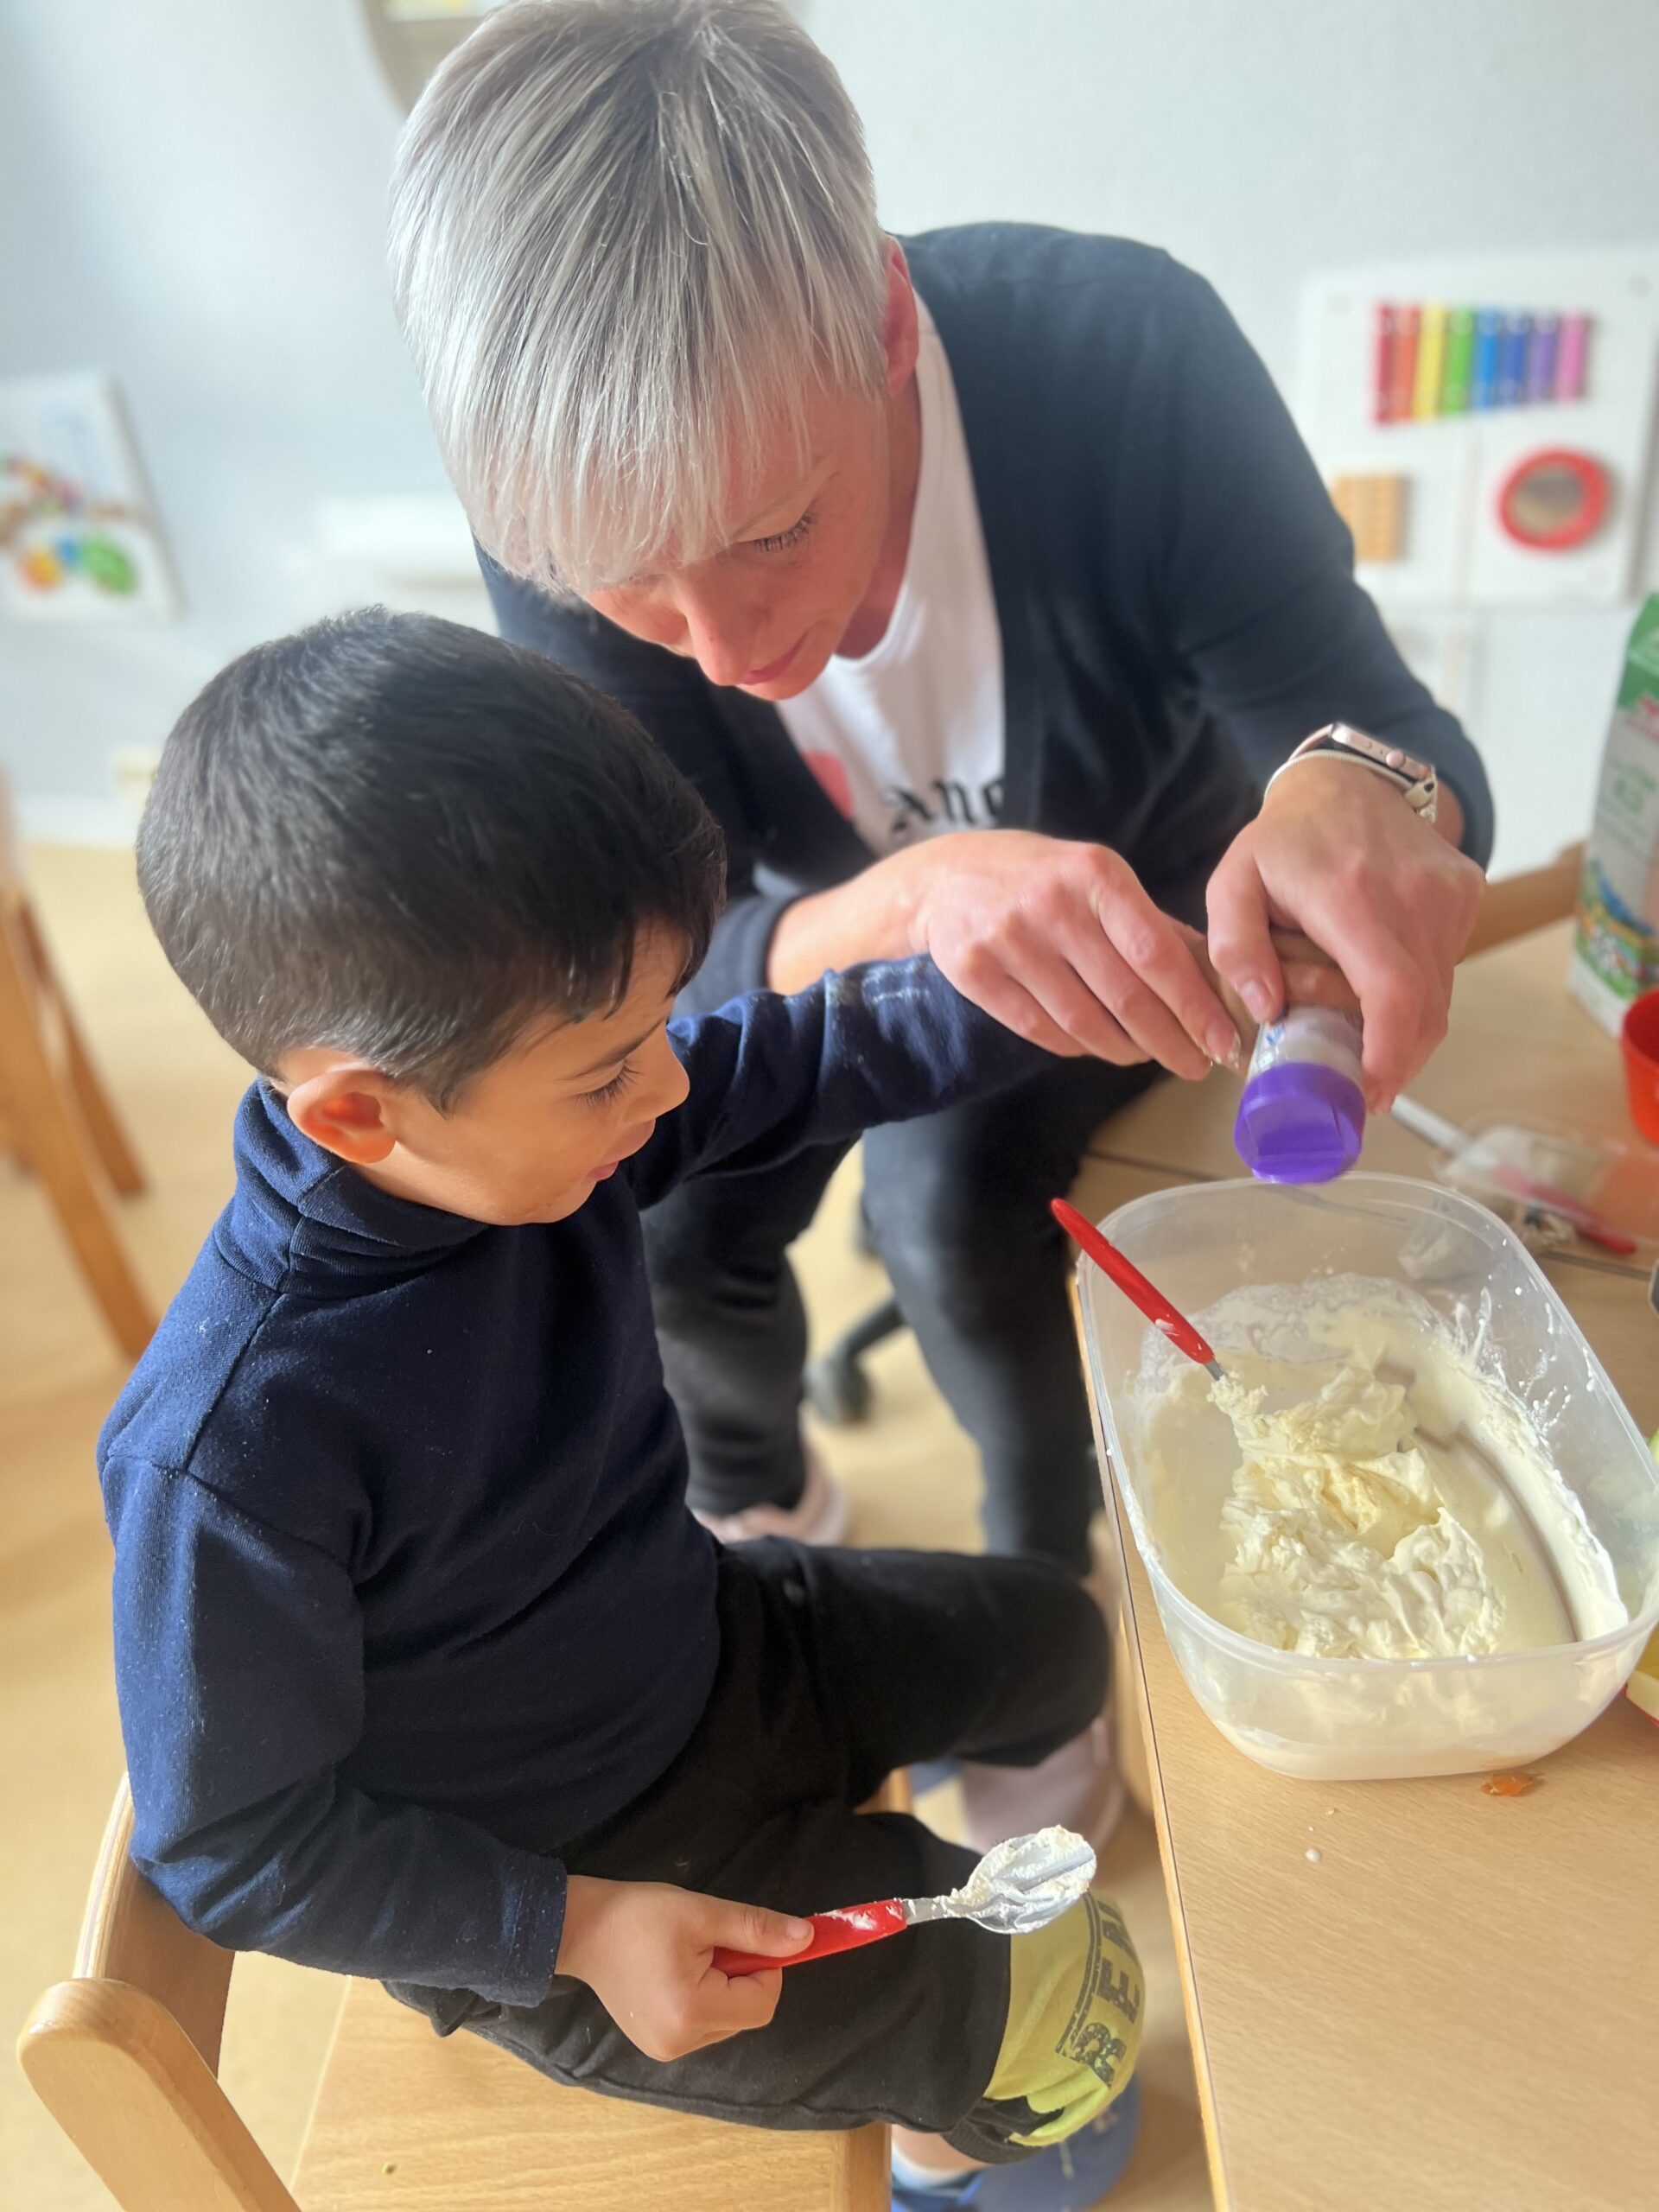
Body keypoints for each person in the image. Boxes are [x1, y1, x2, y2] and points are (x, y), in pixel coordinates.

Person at [387, 0, 1491, 1610]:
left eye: (773, 527)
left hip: (1144, 918)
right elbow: (649, 943)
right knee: (655, 1210)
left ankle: (1046, 1581)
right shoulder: (561, 501)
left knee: (963, 1214)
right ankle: (764, 1499)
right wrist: (899, 906)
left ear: (889, 326)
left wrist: (1362, 789)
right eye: (629, 587)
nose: (730, 652)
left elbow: (1394, 738)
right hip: (806, 929)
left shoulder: (1127, 358)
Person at [99, 608, 1145, 2208]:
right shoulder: (232, 1451)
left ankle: (921, 1899)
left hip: (710, 1645)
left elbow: (796, 1052)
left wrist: (1058, 1003)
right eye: (611, 1069)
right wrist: (576, 1929)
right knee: (1052, 2033)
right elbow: (237, 1848)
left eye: (657, 1029)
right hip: (574, 1883)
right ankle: (952, 2153)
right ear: (357, 1113)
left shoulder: (530, 1130)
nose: (663, 1091)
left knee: (1060, 1639)